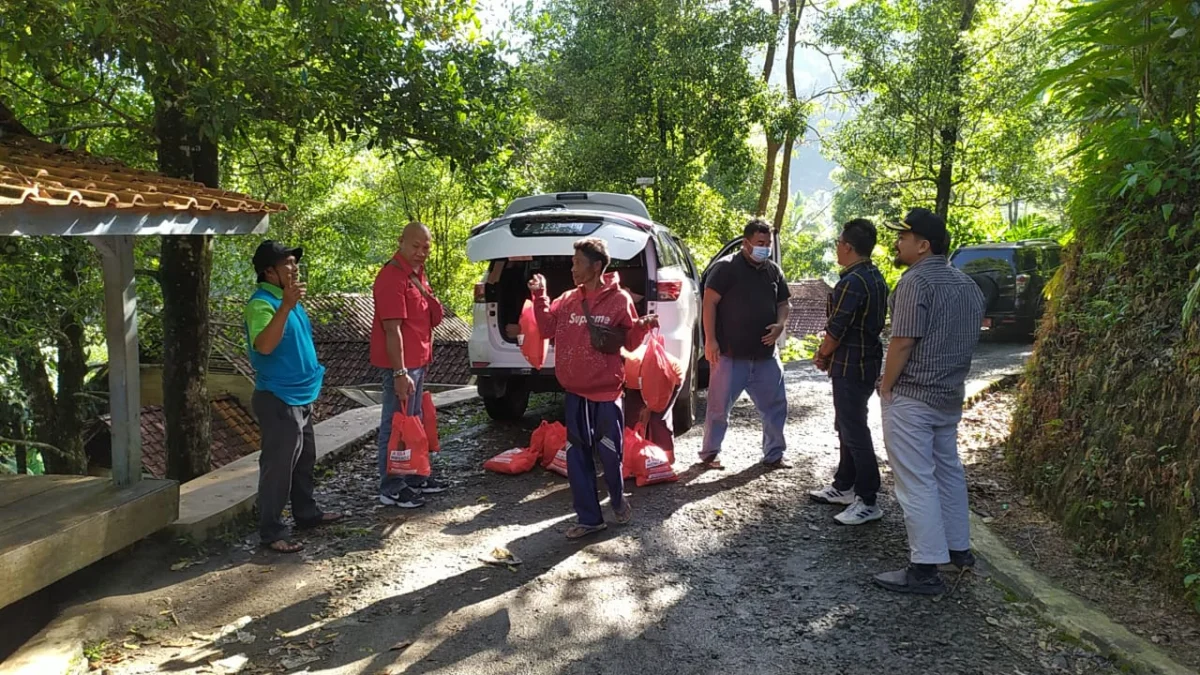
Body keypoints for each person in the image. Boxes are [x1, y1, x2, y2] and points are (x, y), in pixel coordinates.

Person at [873, 208, 985, 595]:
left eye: (904, 237)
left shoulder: (915, 282)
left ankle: (924, 568)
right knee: (947, 472)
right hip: (949, 396)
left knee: (915, 480)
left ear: (923, 245)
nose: (898, 242)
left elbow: (902, 341)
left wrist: (886, 388)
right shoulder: (968, 285)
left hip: (913, 396)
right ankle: (959, 550)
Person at [529, 237, 657, 539]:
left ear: (597, 266)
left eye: (577, 263)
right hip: (574, 394)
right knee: (577, 458)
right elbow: (547, 328)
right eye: (573, 263)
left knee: (611, 455)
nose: (572, 268)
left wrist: (640, 327)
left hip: (606, 395)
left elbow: (627, 341)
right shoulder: (569, 298)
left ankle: (616, 498)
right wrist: (540, 297)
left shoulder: (619, 299)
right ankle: (589, 519)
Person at [245, 240, 342, 553]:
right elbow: (264, 346)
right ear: (268, 272)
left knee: (304, 459)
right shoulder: (262, 304)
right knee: (279, 466)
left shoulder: (289, 300)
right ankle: (271, 532)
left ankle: (306, 513)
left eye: (293, 261)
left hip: (301, 394)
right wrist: (285, 306)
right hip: (277, 397)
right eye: (287, 263)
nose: (294, 267)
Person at [810, 219, 890, 525]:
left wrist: (822, 355)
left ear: (847, 246)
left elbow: (836, 328)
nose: (837, 248)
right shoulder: (875, 277)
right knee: (847, 424)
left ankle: (868, 498)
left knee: (854, 429)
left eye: (838, 242)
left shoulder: (851, 282)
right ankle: (844, 484)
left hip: (850, 365)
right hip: (866, 362)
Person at [699, 218, 791, 470]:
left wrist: (780, 324)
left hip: (765, 356)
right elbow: (709, 304)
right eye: (760, 243)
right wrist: (711, 340)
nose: (765, 247)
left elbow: (784, 303)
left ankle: (774, 454)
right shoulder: (725, 268)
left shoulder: (773, 271)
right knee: (718, 409)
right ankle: (709, 454)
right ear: (746, 243)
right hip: (730, 355)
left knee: (775, 406)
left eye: (768, 243)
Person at [371, 222, 448, 509]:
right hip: (402, 366)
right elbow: (393, 330)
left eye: (426, 247)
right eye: (415, 246)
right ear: (401, 242)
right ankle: (390, 486)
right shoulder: (392, 277)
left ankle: (414, 477)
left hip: (419, 361)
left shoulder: (417, 274)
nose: (421, 252)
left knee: (414, 423)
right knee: (396, 425)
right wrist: (400, 372)